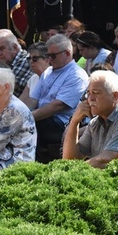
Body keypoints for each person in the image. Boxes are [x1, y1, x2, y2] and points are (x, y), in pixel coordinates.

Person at [28, 34, 89, 162]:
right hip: (44, 117)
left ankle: (32, 165)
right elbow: (33, 100)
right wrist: (18, 113)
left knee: (30, 126)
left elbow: (58, 106)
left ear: (67, 53)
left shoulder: (76, 75)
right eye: (47, 55)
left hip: (63, 123)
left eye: (53, 55)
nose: (49, 59)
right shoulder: (48, 72)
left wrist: (27, 118)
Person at [19, 42, 49, 106]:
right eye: (29, 58)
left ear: (46, 60)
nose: (31, 61)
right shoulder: (33, 78)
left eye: (35, 58)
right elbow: (21, 102)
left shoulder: (52, 77)